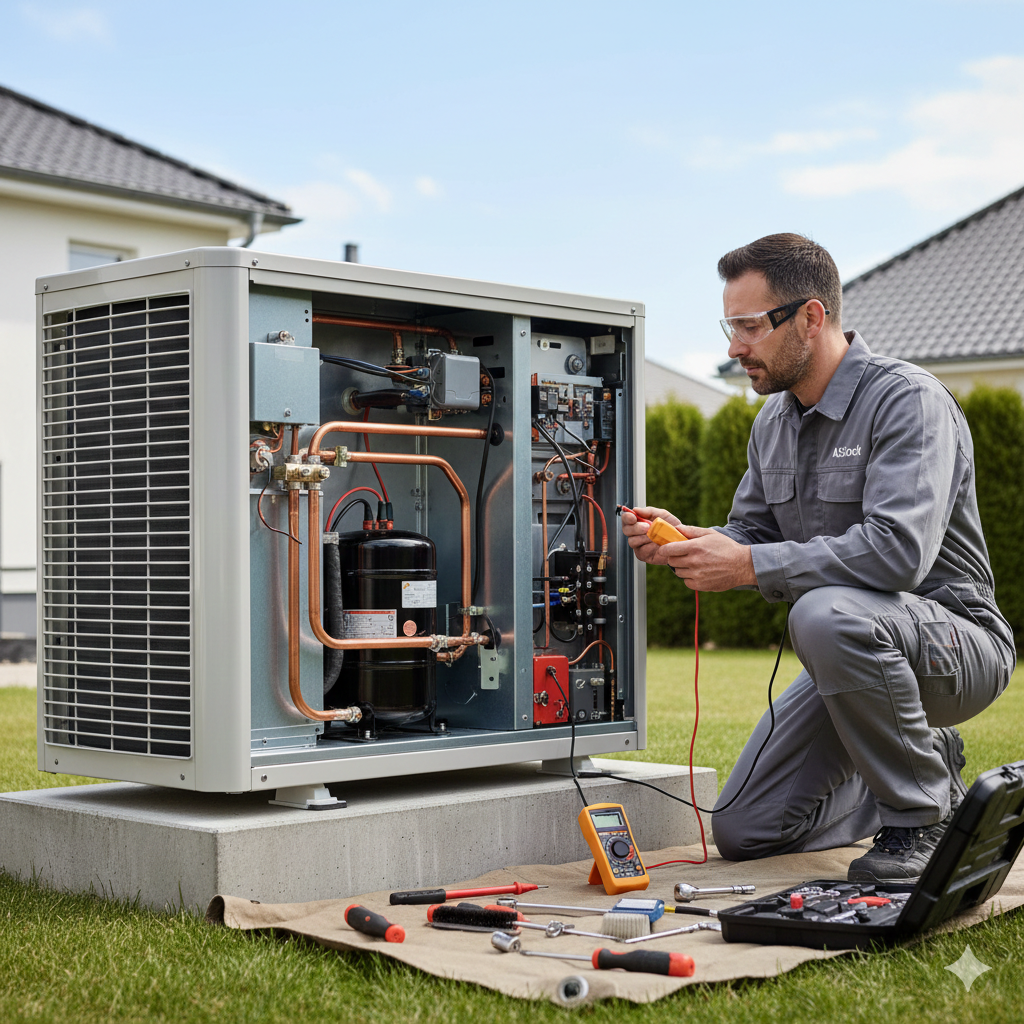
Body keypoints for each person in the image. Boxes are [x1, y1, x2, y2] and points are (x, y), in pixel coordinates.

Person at [622, 233, 1015, 883]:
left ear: (811, 316)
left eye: (749, 326)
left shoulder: (906, 401)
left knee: (822, 614)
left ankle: (919, 821)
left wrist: (747, 567)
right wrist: (693, 541)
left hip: (957, 645)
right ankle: (922, 763)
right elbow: (752, 530)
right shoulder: (772, 423)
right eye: (730, 326)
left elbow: (898, 554)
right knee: (746, 829)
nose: (733, 347)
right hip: (857, 654)